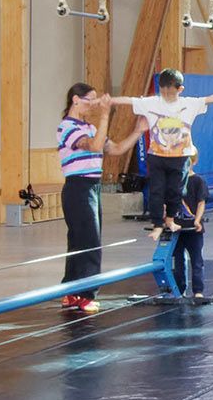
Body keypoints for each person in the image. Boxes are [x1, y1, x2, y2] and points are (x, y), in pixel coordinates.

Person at [112, 69, 213, 230]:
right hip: (157, 155)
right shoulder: (151, 103)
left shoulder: (188, 104)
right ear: (160, 88)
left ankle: (170, 219)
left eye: (170, 93)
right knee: (156, 190)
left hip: (180, 157)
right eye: (163, 92)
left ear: (180, 89)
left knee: (176, 190)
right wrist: (110, 101)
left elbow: (210, 99)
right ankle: (157, 223)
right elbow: (128, 100)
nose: (166, 96)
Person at [55, 83, 146, 313]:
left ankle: (71, 290)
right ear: (76, 100)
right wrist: (106, 114)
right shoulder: (68, 127)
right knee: (88, 242)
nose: (94, 105)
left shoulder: (90, 127)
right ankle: (85, 294)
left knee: (80, 241)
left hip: (92, 187)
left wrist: (137, 131)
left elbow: (114, 149)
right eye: (90, 100)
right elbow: (94, 147)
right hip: (79, 187)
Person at [171, 151, 210, 303]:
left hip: (193, 229)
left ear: (194, 162)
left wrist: (197, 221)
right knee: (178, 260)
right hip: (177, 229)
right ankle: (179, 289)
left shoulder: (198, 181)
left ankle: (198, 290)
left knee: (197, 260)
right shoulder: (174, 182)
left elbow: (201, 202)